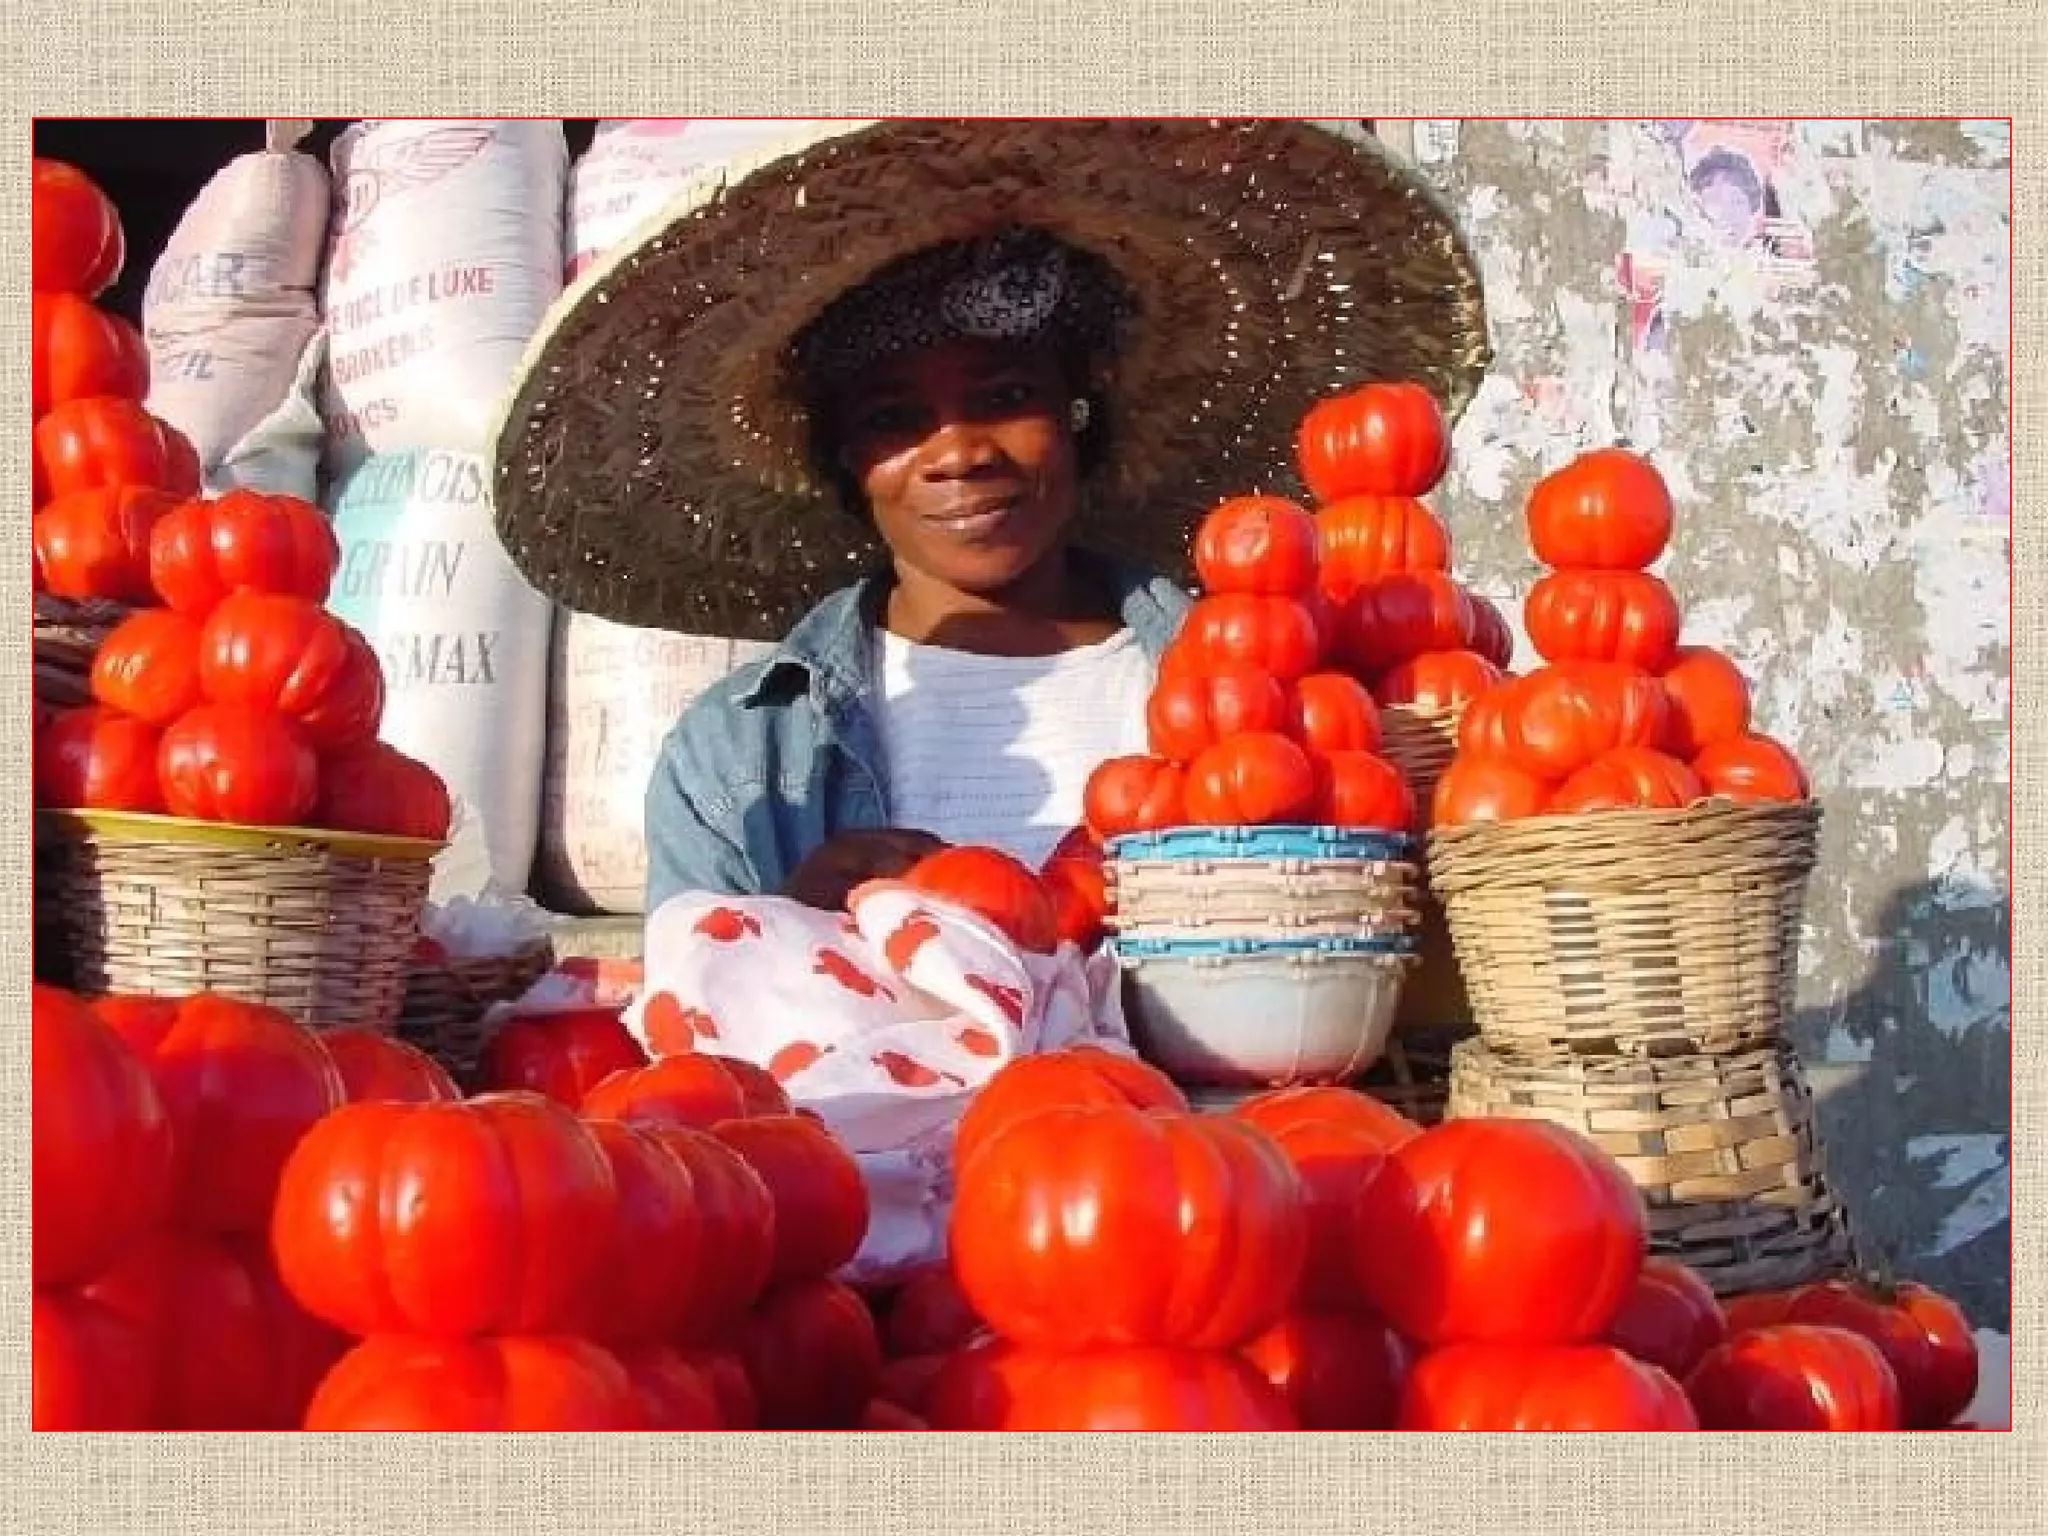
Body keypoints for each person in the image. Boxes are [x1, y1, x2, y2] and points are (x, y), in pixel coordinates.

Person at [488, 119, 1492, 916]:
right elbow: (698, 1060)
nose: (959, 451)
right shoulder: (740, 755)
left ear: (1077, 411)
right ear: (846, 460)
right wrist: (785, 934)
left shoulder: (1275, 691)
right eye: (892, 419)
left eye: (1006, 396)